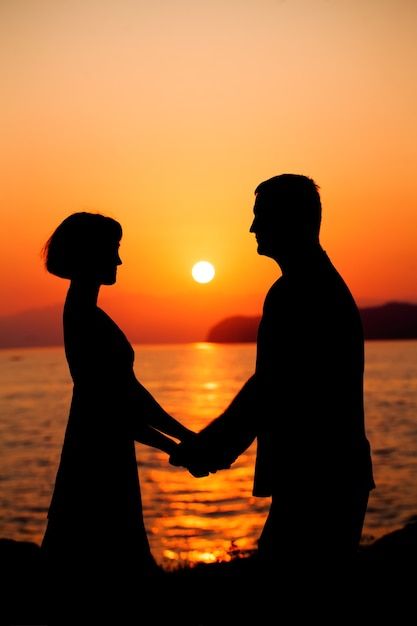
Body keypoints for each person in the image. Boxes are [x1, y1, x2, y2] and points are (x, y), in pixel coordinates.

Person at [171, 174, 375, 572]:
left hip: (317, 478)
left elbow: (270, 387)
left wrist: (212, 446)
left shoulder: (296, 292)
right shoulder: (317, 284)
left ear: (292, 220)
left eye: (261, 216)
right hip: (331, 474)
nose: (252, 227)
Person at [40, 212, 196, 619]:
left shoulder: (86, 313)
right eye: (114, 250)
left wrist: (184, 439)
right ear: (91, 253)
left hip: (98, 452)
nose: (119, 262)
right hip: (95, 459)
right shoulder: (85, 317)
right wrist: (179, 444)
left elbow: (129, 395)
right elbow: (115, 405)